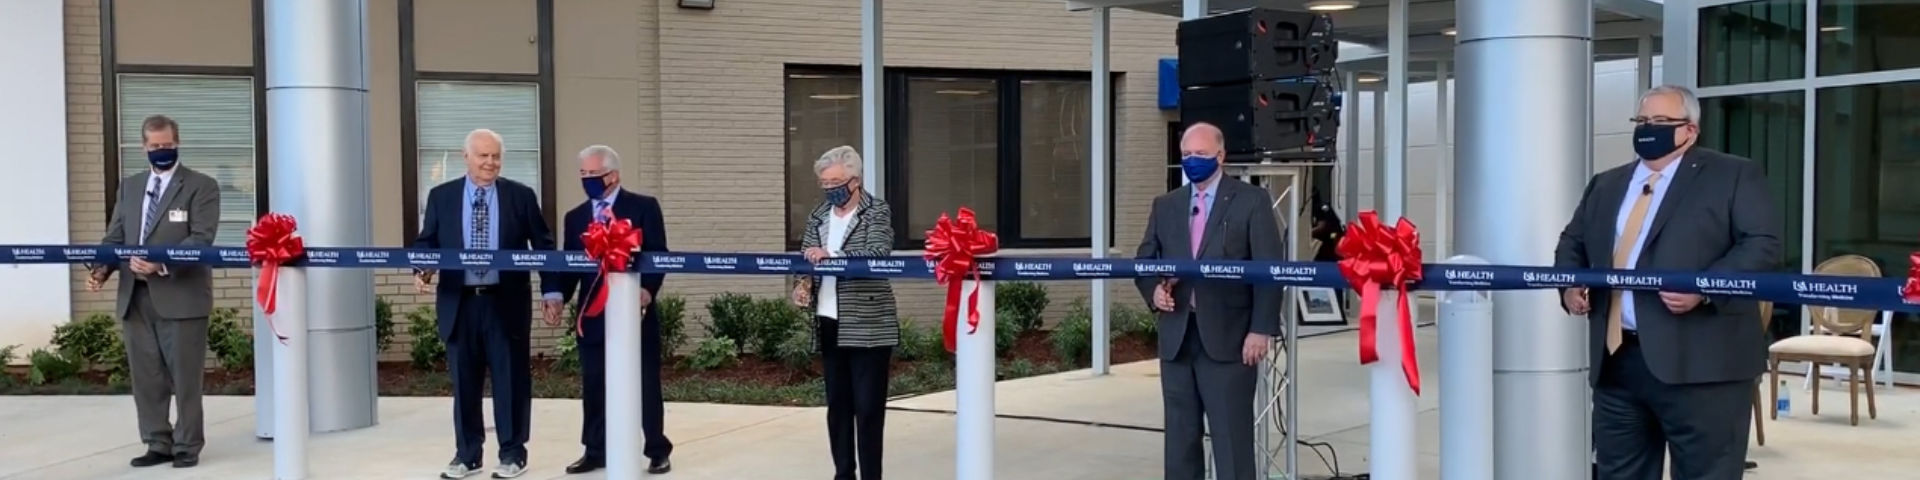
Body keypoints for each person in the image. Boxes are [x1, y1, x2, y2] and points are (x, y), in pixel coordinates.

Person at [1555, 85, 1782, 480]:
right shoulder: (1606, 184)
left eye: (1661, 122)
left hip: (1704, 366)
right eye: (1642, 121)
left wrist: (1706, 288)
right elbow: (1572, 242)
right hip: (1618, 363)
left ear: (1690, 131)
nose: (1648, 129)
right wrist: (1570, 285)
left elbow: (1762, 245)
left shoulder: (1732, 174)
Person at [1133, 122, 1284, 480]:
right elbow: (1144, 261)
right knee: (1180, 442)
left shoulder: (1252, 201)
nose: (1192, 160)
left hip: (1231, 340)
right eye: (1186, 154)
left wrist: (1261, 329)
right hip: (1178, 340)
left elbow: (1270, 269)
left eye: (1200, 154)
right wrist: (1154, 291)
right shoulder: (1166, 205)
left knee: (1231, 440)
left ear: (1221, 155)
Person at [414, 128, 556, 479]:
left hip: (504, 302)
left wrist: (553, 293)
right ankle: (467, 455)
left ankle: (512, 454)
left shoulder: (520, 196)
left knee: (511, 381)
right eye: (483, 156)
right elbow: (427, 242)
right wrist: (422, 268)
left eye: (495, 156)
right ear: (466, 157)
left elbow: (544, 246)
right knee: (464, 383)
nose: (490, 163)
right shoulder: (441, 196)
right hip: (459, 303)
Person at [87, 114, 221, 469]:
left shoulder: (201, 186)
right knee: (146, 378)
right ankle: (157, 442)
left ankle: (187, 446)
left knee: (185, 378)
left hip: (180, 294)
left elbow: (202, 239)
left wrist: (161, 264)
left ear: (177, 143)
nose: (161, 151)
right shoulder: (130, 187)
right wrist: (101, 269)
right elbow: (115, 237)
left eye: (167, 145)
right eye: (154, 146)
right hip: (135, 297)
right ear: (143, 147)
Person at [542, 145, 673, 475]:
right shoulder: (575, 218)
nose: (587, 180)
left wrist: (647, 290)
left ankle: (656, 449)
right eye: (583, 175)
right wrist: (557, 295)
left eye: (593, 175)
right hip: (593, 314)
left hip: (636, 315)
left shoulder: (643, 207)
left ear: (613, 175)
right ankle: (595, 449)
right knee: (594, 383)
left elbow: (659, 255)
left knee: (645, 383)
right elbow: (571, 265)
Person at [790, 145, 898, 480]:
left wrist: (830, 254)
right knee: (838, 408)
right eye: (823, 184)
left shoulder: (876, 211)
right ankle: (843, 473)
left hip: (868, 323)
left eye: (835, 182)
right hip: (829, 320)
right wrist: (803, 282)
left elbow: (878, 253)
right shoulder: (819, 215)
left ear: (854, 180)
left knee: (867, 409)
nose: (829, 189)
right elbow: (806, 255)